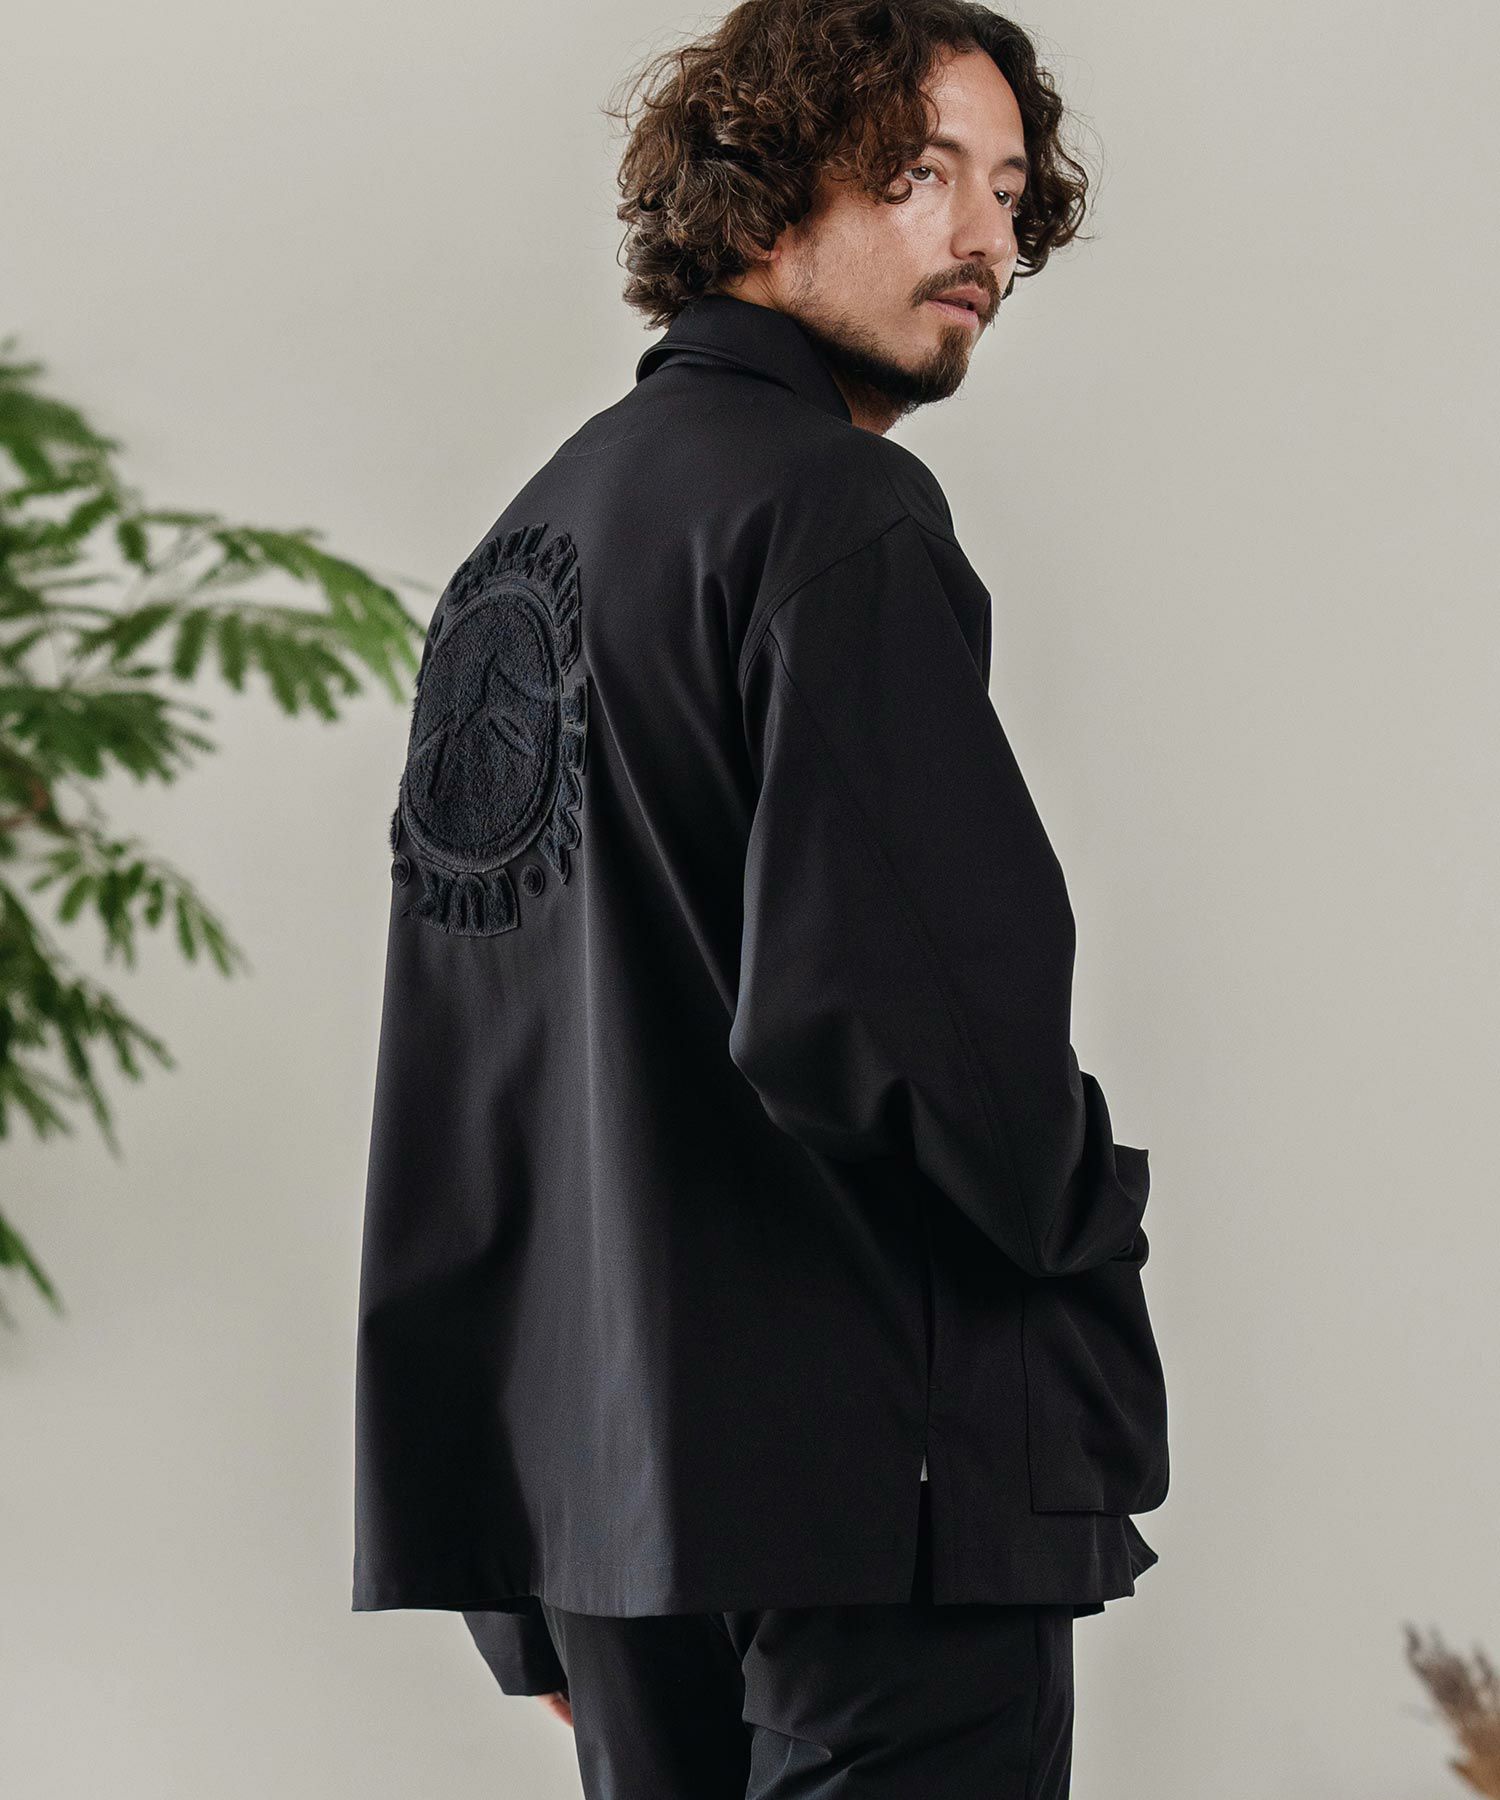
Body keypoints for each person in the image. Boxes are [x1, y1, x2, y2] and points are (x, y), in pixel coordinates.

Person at [351, 2, 1169, 1792]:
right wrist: (1082, 1221)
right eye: (918, 173)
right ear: (761, 189)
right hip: (876, 1505)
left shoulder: (523, 550)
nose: (981, 235)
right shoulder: (835, 512)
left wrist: (530, 1571)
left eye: (1007, 190)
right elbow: (930, 1022)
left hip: (623, 1518)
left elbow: (476, 1070)